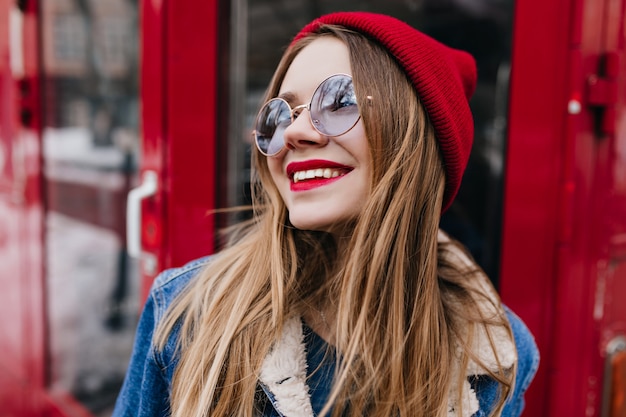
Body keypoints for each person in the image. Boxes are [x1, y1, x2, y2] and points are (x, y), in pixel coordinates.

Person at [113, 11, 539, 417]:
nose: (294, 133)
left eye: (339, 101)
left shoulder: (496, 352)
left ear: (416, 138)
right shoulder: (188, 310)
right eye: (279, 115)